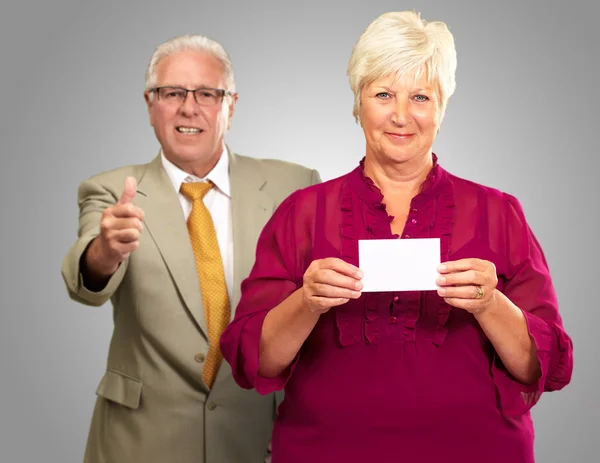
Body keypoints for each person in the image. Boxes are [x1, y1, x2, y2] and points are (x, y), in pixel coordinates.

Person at [220, 11, 573, 463]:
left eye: (420, 96)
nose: (401, 116)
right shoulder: (301, 214)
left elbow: (544, 368)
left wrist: (491, 304)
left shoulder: (498, 213)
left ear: (441, 107)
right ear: (358, 103)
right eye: (383, 94)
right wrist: (306, 301)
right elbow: (256, 364)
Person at [61, 34, 320, 463]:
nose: (189, 107)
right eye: (172, 92)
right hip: (141, 441)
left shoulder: (293, 185)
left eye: (207, 93)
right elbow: (86, 280)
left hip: (256, 436)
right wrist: (106, 250)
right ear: (150, 105)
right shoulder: (111, 191)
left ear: (230, 106)